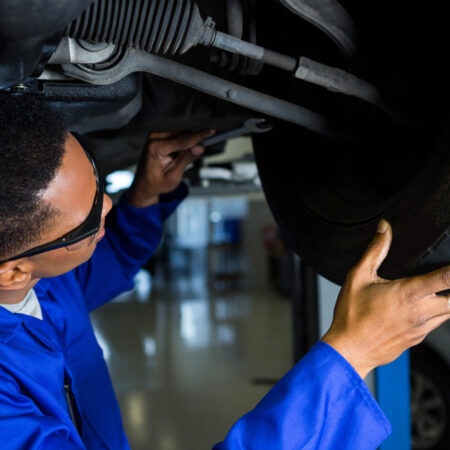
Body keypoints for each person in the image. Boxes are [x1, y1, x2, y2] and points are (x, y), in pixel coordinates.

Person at [0, 93, 449, 450]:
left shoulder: (41, 274)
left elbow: (101, 263)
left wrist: (145, 197)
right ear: (13, 271)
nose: (108, 207)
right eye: (84, 221)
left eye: (98, 184)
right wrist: (354, 354)